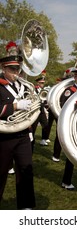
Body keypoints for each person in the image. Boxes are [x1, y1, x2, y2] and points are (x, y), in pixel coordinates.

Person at [0, 41, 35, 209]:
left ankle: (26, 206)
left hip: (22, 135)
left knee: (26, 170)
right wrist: (14, 106)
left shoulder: (23, 85)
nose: (16, 72)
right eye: (12, 69)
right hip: (3, 137)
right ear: (4, 68)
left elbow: (32, 107)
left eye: (17, 69)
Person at [59, 56, 77, 190]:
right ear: (76, 77)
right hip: (73, 126)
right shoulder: (69, 91)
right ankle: (66, 181)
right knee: (72, 156)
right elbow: (63, 107)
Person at [32, 71, 48, 147]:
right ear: (37, 83)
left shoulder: (43, 90)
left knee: (45, 124)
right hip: (36, 109)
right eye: (41, 83)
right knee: (33, 127)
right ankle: (31, 141)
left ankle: (43, 139)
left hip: (41, 109)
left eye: (43, 83)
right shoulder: (34, 89)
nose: (42, 84)